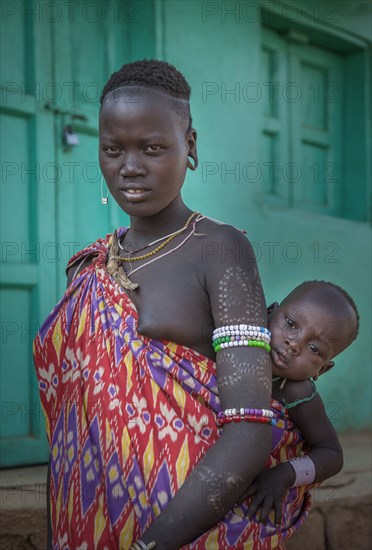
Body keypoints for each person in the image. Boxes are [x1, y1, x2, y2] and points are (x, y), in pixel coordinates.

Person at [34, 60, 307, 550]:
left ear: (192, 147)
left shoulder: (220, 251)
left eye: (154, 148)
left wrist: (152, 544)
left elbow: (249, 427)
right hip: (87, 521)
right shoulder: (88, 268)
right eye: (113, 149)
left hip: (191, 527)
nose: (130, 167)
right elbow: (69, 434)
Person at [234, 280, 359, 527]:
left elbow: (331, 454)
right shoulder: (234, 346)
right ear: (270, 312)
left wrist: (285, 474)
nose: (294, 344)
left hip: (252, 493)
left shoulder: (297, 393)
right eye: (290, 324)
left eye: (313, 348)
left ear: (321, 370)